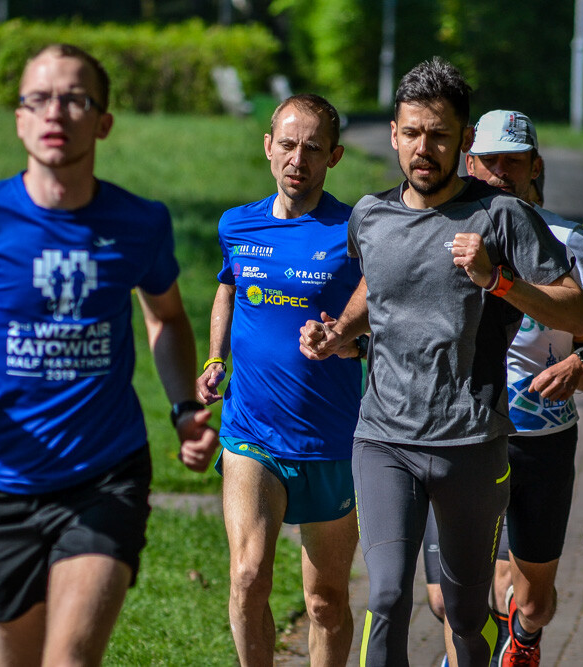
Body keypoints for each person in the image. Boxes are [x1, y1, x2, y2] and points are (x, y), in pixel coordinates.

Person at [0, 44, 218, 667]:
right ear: (18, 119)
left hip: (106, 474)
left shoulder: (139, 222)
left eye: (74, 99)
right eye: (38, 99)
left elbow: (166, 316)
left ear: (103, 121)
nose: (55, 112)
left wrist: (181, 409)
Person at [299, 58, 583, 667]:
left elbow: (577, 313)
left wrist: (500, 281)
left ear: (462, 142)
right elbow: (378, 287)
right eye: (411, 133)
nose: (423, 148)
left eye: (438, 134)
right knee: (385, 595)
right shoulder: (370, 216)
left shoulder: (502, 217)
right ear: (395, 136)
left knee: (462, 610)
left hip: (471, 442)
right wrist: (335, 333)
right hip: (382, 438)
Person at [421, 109, 583, 667]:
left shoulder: (568, 238)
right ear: (469, 162)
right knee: (441, 598)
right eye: (490, 160)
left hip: (541, 437)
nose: (500, 172)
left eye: (513, 161)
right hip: (461, 434)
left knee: (534, 600)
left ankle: (523, 635)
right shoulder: (437, 231)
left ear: (534, 167)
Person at [196, 94, 364, 667]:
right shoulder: (236, 224)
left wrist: (349, 342)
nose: (298, 159)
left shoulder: (355, 232)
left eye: (313, 148)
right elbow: (228, 285)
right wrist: (215, 358)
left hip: (332, 440)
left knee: (325, 602)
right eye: (288, 145)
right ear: (268, 148)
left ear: (334, 157)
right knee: (247, 577)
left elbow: (387, 317)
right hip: (251, 432)